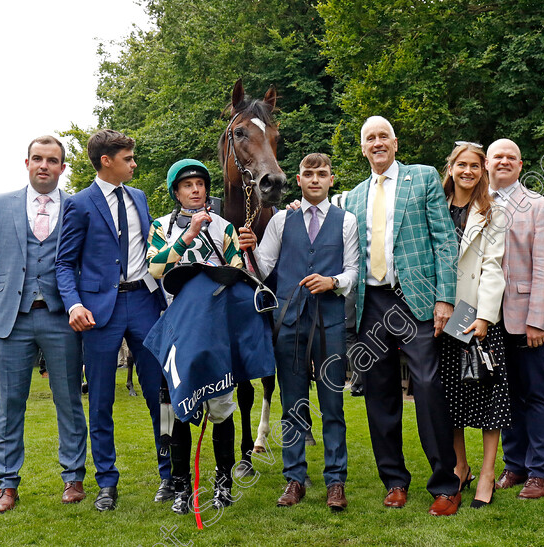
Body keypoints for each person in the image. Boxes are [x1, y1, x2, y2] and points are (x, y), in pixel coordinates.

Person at [342, 116, 461, 516]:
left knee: (427, 387)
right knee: (379, 394)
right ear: (362, 149)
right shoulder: (354, 197)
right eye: (369, 138)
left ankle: (446, 485)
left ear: (394, 142)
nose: (377, 143)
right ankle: (394, 481)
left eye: (382, 136)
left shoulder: (423, 177)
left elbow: (445, 240)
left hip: (417, 300)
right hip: (371, 302)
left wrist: (445, 298)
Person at [0, 136, 88, 513]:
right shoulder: (0, 205)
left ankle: (74, 477)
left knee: (69, 401)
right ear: (26, 162)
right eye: (37, 158)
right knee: (9, 404)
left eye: (52, 160)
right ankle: (6, 484)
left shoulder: (76, 206)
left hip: (60, 317)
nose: (44, 166)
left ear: (62, 168)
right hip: (9, 319)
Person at [55, 129, 169, 511]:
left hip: (144, 303)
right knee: (101, 400)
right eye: (129, 158)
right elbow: (64, 263)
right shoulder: (79, 204)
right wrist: (73, 305)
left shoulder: (139, 197)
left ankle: (170, 476)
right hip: (98, 312)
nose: (134, 164)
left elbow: (153, 251)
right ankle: (106, 482)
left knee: (160, 395)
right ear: (107, 160)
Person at [239, 153, 358, 511]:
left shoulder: (346, 220)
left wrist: (332, 280)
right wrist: (249, 251)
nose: (316, 180)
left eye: (322, 174)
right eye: (309, 174)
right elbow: (263, 270)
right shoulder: (280, 221)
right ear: (300, 179)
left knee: (333, 406)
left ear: (331, 179)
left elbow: (353, 271)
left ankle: (336, 481)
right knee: (292, 405)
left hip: (331, 321)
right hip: (289, 322)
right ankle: (294, 479)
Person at [146, 159, 244, 514]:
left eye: (200, 183)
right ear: (176, 192)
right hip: (177, 327)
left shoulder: (224, 227)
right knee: (180, 407)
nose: (196, 189)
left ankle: (223, 484)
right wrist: (187, 236)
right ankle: (182, 485)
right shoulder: (160, 226)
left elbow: (239, 270)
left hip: (217, 326)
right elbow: (155, 267)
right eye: (188, 185)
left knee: (220, 406)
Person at [436, 142, 509, 509]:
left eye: (474, 166)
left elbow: (494, 266)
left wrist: (484, 316)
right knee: (450, 398)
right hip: (441, 314)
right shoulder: (435, 206)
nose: (467, 171)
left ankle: (487, 473)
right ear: (450, 168)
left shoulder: (492, 210)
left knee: (487, 397)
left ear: (482, 171)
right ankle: (459, 466)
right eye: (461, 164)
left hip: (476, 314)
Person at [487, 139, 544, 500]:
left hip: (524, 319)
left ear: (520, 164)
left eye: (510, 157)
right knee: (505, 395)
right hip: (486, 319)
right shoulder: (474, 204)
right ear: (487, 163)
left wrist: (538, 320)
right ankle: (514, 466)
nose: (503, 161)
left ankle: (539, 473)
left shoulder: (538, 206)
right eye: (497, 156)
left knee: (536, 394)